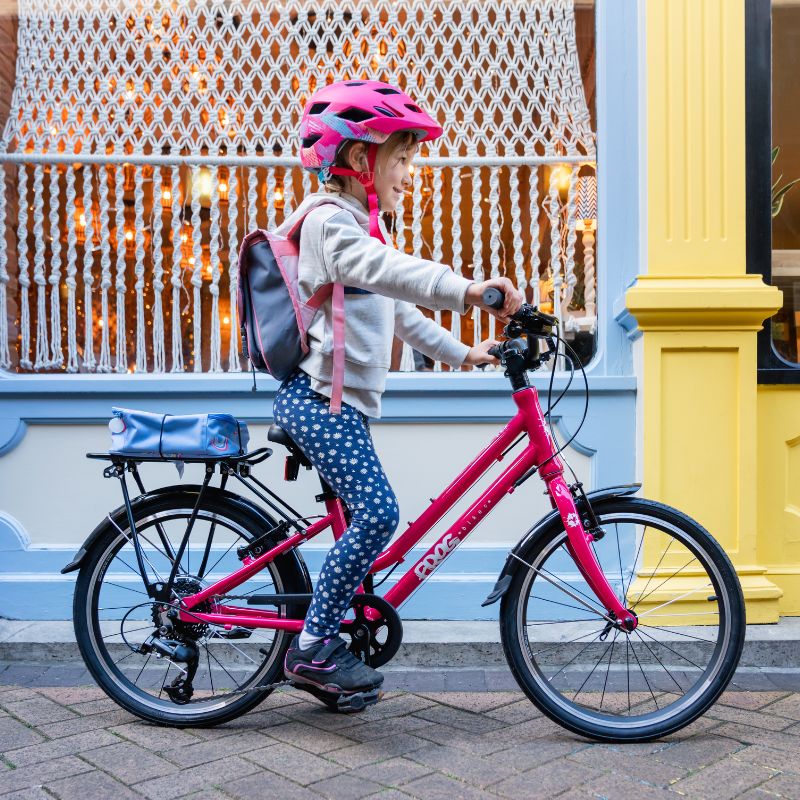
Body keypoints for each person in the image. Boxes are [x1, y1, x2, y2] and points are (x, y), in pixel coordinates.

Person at [273, 79, 522, 704]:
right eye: (403, 158)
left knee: (368, 518)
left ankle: (334, 646)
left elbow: (400, 313)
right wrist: (468, 289)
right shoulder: (332, 225)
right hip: (317, 404)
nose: (410, 172)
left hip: (340, 406)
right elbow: (393, 275)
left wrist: (466, 351)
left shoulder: (358, 226)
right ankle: (312, 648)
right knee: (380, 515)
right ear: (361, 161)